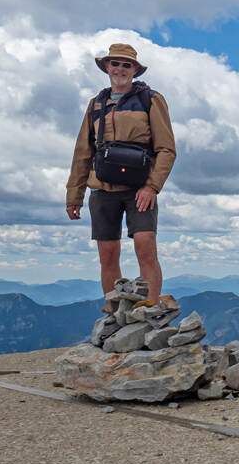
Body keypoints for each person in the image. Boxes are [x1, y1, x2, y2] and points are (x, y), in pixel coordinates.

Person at [66, 43, 176, 308]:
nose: (120, 69)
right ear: (106, 66)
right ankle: (114, 313)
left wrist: (152, 186)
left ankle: (148, 313)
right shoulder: (96, 104)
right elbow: (83, 152)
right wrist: (74, 196)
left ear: (135, 70)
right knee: (107, 253)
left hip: (140, 187)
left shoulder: (151, 99)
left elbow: (166, 148)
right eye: (115, 63)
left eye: (127, 65)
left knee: (145, 245)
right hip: (102, 188)